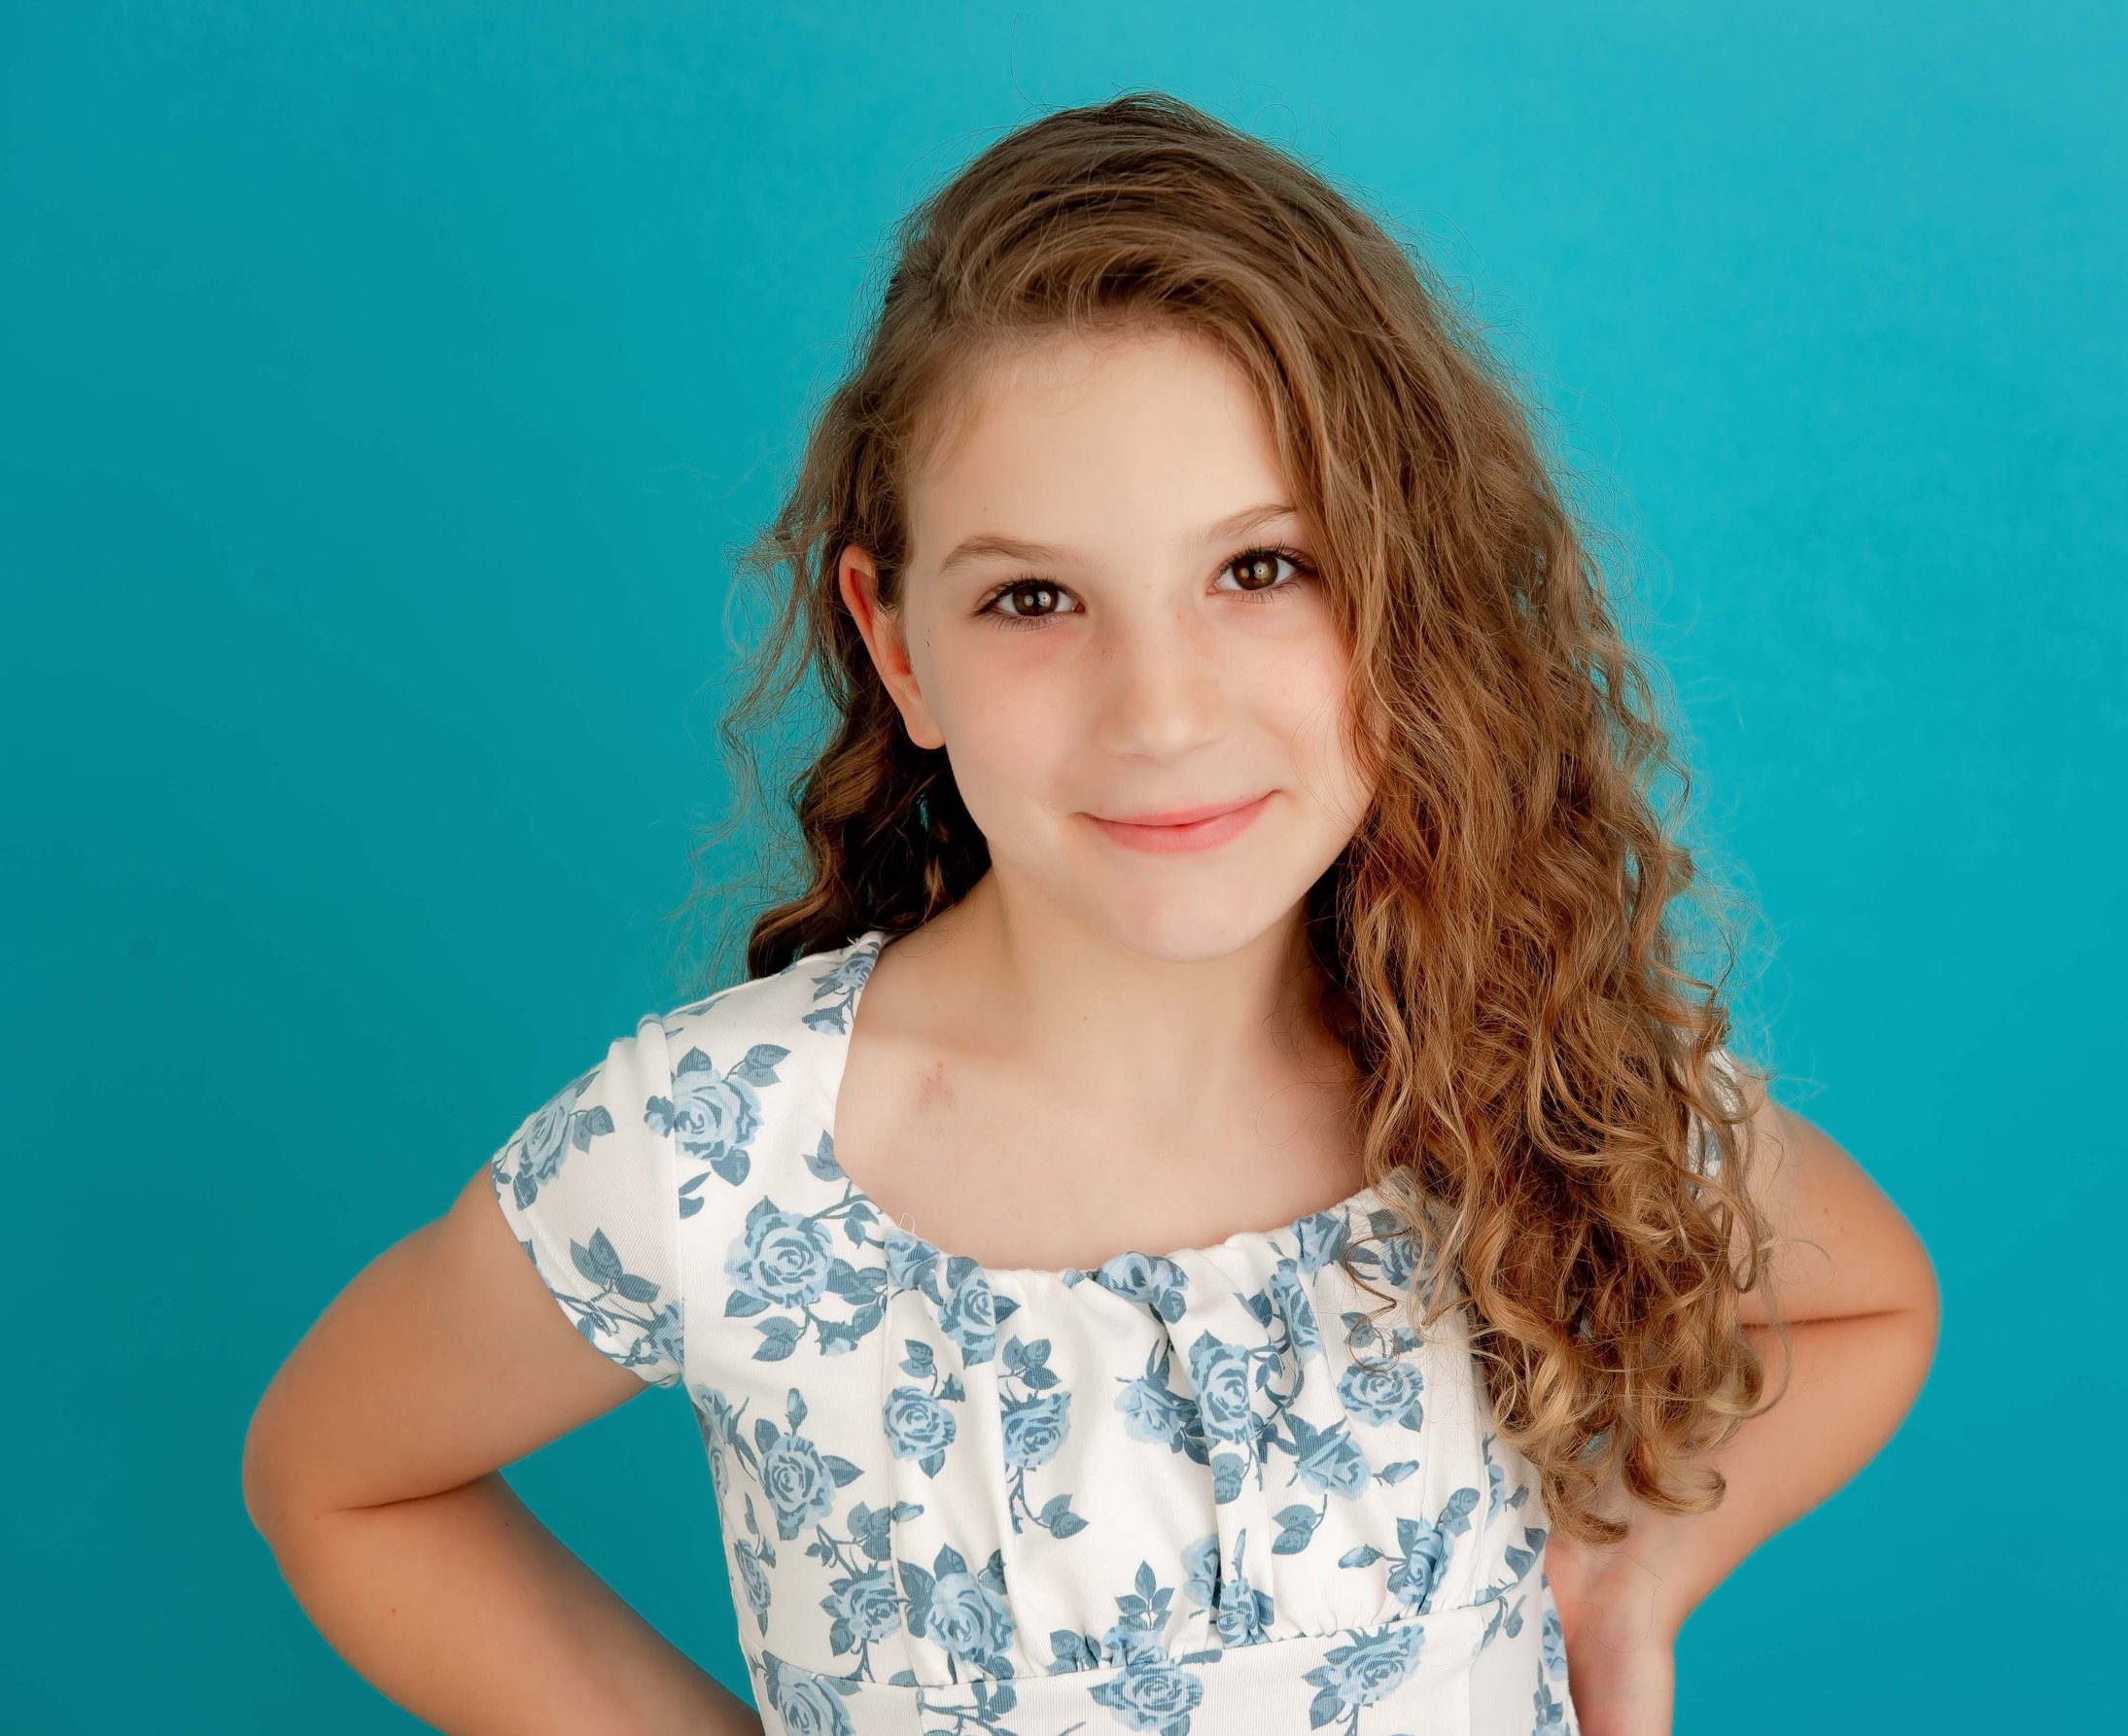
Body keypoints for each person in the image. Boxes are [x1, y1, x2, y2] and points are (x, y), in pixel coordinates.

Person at [243, 91, 1940, 1736]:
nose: (1162, 711)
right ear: (899, 640)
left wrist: (1627, 1579)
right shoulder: (720, 1157)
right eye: (1035, 597)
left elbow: (1870, 1302)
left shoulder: (1519, 1072)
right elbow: (342, 1474)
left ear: (1399, 594)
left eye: (1261, 568)